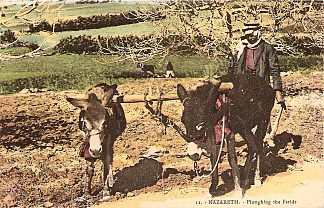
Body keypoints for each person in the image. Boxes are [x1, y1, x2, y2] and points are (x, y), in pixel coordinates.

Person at [229, 23, 285, 108]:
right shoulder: (241, 49)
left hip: (261, 86)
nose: (250, 38)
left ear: (258, 34)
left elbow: (275, 70)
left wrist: (278, 90)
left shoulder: (268, 49)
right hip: (244, 86)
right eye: (247, 35)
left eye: (252, 35)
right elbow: (235, 69)